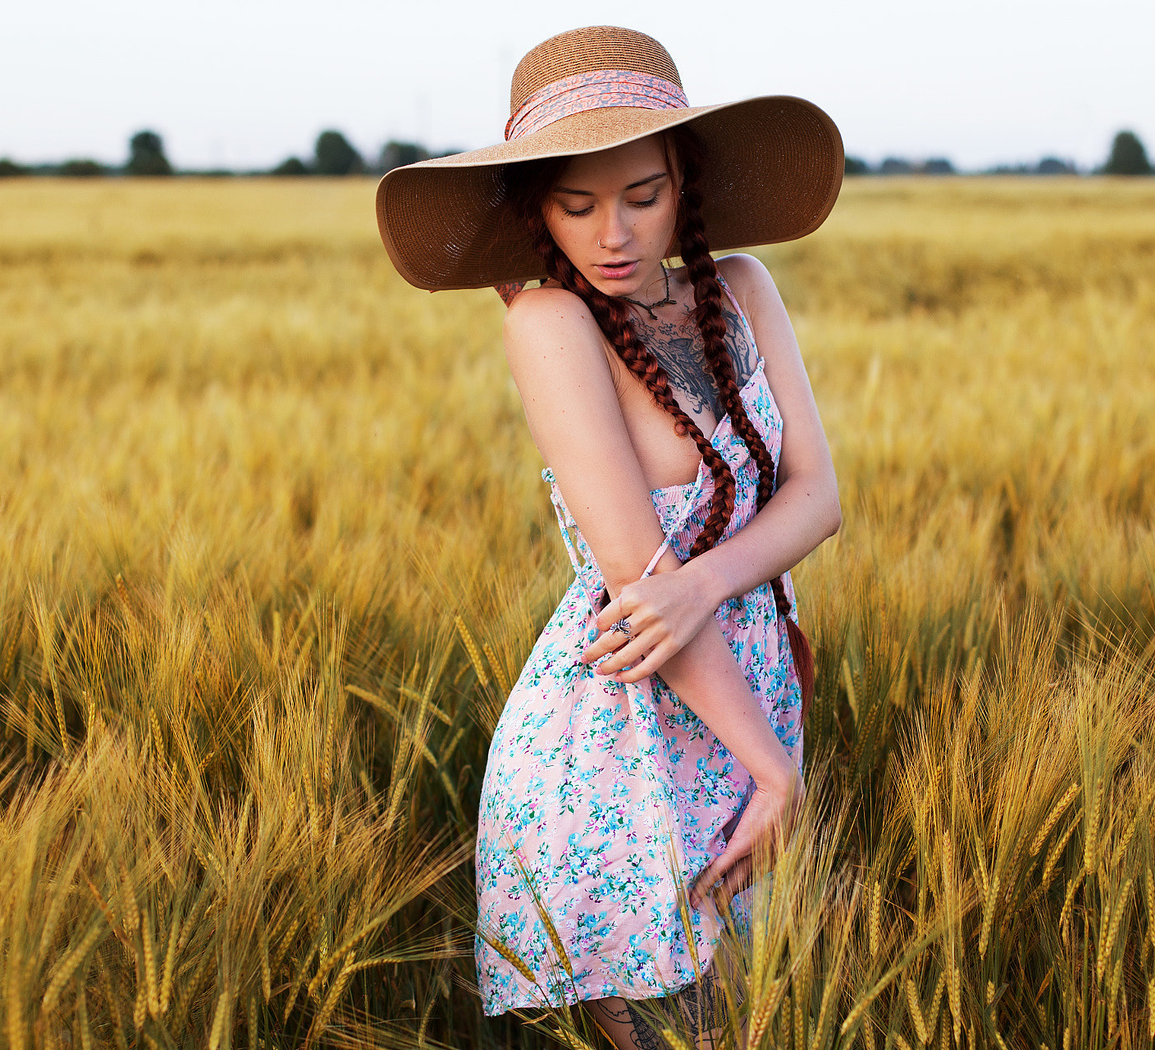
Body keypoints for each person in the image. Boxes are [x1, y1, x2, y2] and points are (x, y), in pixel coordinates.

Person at [375, 25, 843, 1048]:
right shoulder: (548, 323)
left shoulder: (746, 289)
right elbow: (638, 576)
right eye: (575, 204)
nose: (613, 233)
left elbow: (817, 496)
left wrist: (702, 584)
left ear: (686, 183)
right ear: (538, 207)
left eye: (643, 194)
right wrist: (772, 770)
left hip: (749, 690)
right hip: (620, 731)